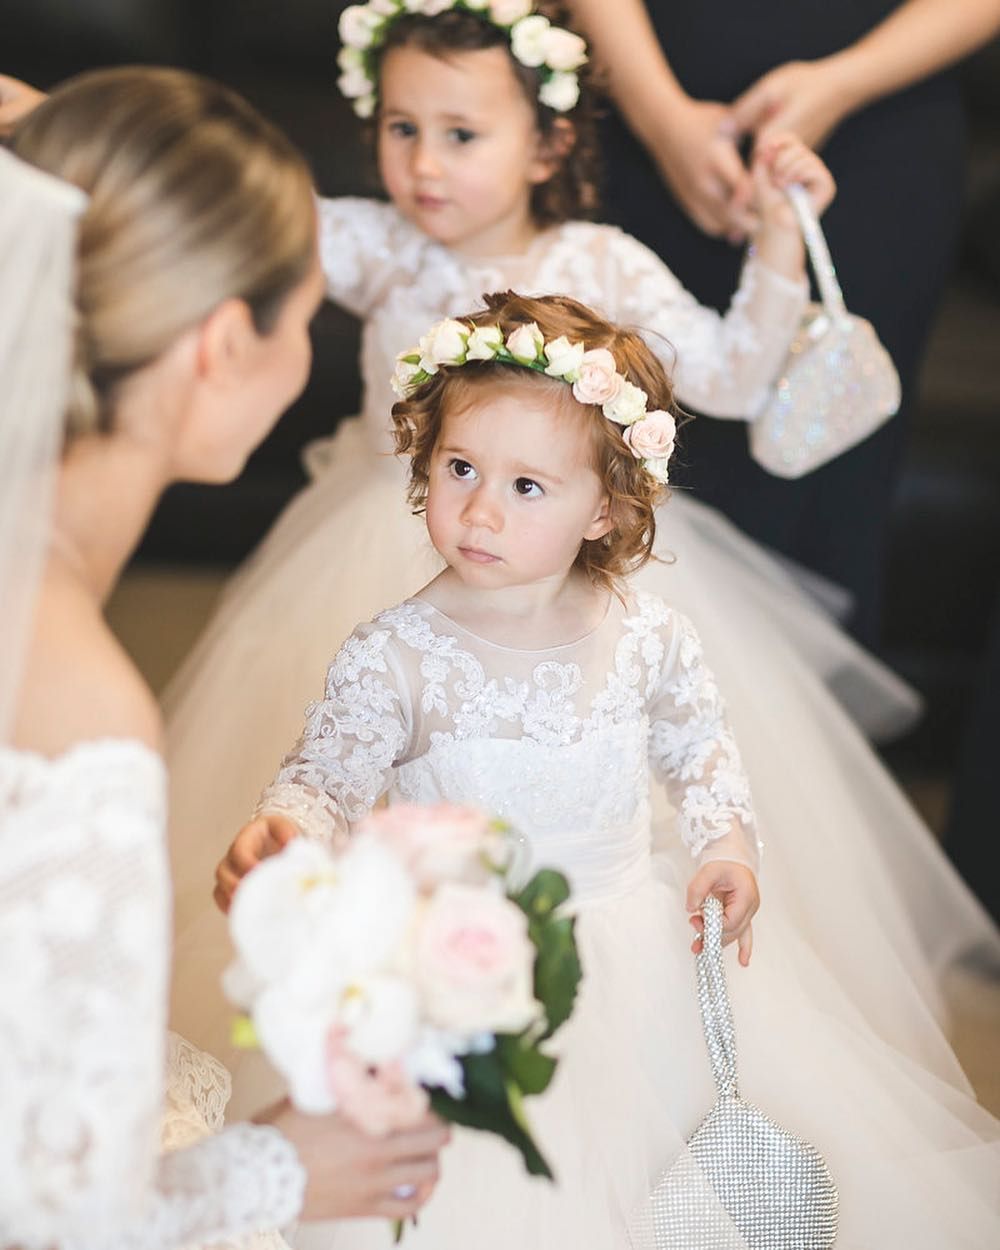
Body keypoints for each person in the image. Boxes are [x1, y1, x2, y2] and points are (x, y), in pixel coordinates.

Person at [147, 3, 997, 1102]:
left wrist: (778, 237)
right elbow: (227, 201)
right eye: (401, 129)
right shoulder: (377, 244)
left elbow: (732, 375)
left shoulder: (599, 259)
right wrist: (84, 127)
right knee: (371, 755)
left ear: (547, 143)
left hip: (567, 566)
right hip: (382, 539)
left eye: (462, 133)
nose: (424, 164)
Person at [218, 290, 1000, 1249]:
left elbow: (698, 747)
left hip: (634, 960)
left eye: (527, 487)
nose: (480, 509)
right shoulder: (396, 654)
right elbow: (326, 775)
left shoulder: (646, 635)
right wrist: (290, 825)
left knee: (651, 1187)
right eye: (461, 467)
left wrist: (725, 843)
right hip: (459, 980)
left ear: (604, 511)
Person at [0, 66, 447, 1248]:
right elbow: (58, 1219)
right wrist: (285, 1168)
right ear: (221, 345)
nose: (304, 355)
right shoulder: (75, 704)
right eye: (303, 319)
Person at [567, 0, 1000, 645]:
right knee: (615, 456)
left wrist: (844, 82)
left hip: (880, 131)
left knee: (823, 482)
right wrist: (659, 116)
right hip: (642, 104)